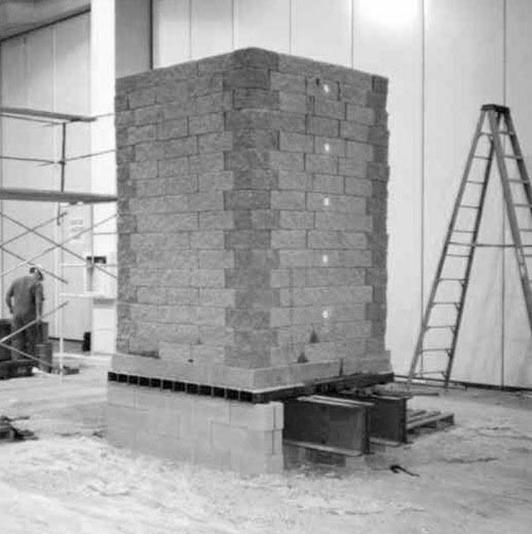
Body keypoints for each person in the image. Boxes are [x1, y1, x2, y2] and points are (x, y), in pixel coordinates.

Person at [5, 266, 44, 360]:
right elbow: (38, 301)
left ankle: (17, 362)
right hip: (29, 315)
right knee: (32, 339)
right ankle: (31, 363)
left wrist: (11, 308)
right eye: (40, 276)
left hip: (16, 315)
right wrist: (39, 315)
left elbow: (7, 296)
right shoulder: (37, 284)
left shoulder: (16, 281)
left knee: (17, 339)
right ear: (37, 273)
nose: (40, 279)